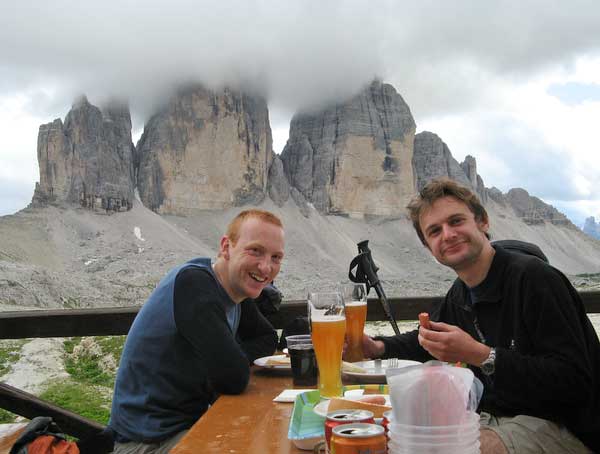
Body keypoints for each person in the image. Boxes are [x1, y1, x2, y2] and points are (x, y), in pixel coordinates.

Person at [359, 178, 600, 454]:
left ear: (482, 222)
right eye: (435, 231)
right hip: (495, 416)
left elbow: (575, 382)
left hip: (565, 425)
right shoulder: (461, 293)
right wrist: (378, 346)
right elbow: (429, 338)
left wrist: (483, 355)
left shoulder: (535, 280)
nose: (447, 235)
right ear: (428, 247)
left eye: (456, 221)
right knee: (394, 437)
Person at [109, 209, 284, 454]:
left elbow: (266, 338)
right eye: (255, 250)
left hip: (189, 426)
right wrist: (227, 363)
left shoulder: (236, 291)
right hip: (145, 442)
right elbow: (232, 379)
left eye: (276, 257)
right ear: (226, 247)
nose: (266, 267)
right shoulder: (195, 284)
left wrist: (229, 357)